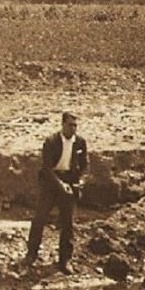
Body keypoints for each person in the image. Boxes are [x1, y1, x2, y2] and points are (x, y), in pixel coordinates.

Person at [25, 111, 89, 274]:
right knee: (40, 218)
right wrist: (61, 185)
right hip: (51, 181)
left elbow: (85, 166)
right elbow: (46, 168)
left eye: (75, 125)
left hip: (69, 180)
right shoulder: (51, 141)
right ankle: (31, 254)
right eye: (70, 125)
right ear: (62, 125)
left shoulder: (80, 142)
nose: (73, 129)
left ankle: (65, 260)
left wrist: (80, 182)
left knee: (68, 222)